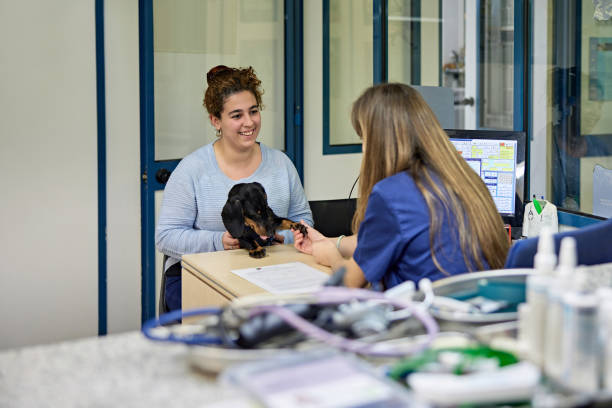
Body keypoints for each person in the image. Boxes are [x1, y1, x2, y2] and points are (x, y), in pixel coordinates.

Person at [293, 83, 509, 289]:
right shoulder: (464, 178)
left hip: (425, 320)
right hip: (477, 315)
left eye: (364, 139)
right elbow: (384, 238)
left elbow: (351, 282)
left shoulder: (391, 194)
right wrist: (331, 242)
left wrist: (331, 256)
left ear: (378, 142)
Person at [156, 65, 313, 311]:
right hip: (200, 278)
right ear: (215, 120)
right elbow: (166, 237)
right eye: (236, 115)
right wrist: (221, 241)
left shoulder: (282, 164)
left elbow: (304, 220)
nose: (249, 122)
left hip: (272, 271)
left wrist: (284, 237)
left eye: (253, 111)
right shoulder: (192, 170)